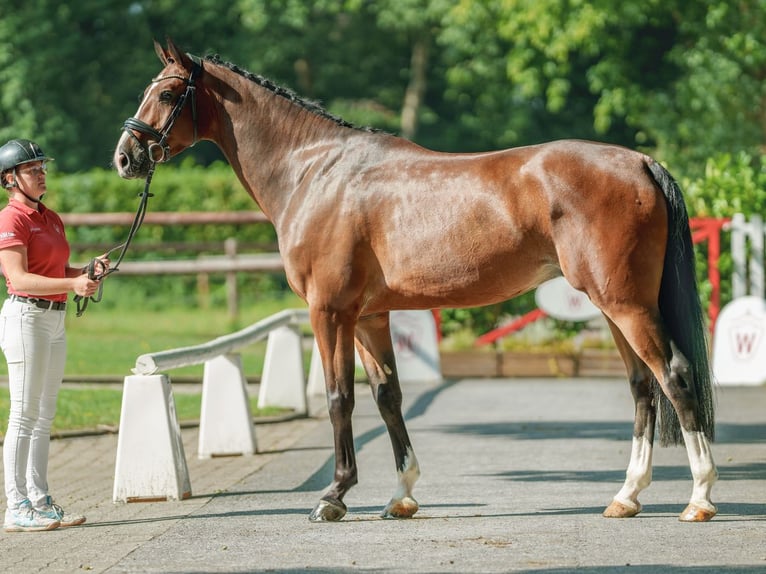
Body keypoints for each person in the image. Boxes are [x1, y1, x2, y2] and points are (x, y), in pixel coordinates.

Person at [0, 139, 109, 532]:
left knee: (44, 417)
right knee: (24, 415)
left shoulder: (51, 218)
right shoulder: (10, 219)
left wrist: (83, 272)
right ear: (10, 179)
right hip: (25, 317)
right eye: (32, 169)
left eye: (42, 167)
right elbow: (18, 278)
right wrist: (73, 284)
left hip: (54, 319)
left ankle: (40, 499)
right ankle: (16, 505)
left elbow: (55, 272)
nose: (41, 173)